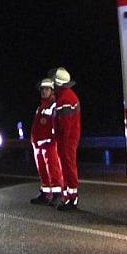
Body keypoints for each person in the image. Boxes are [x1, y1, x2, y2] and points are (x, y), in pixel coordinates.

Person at [50, 67, 81, 210]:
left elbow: (65, 125)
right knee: (67, 167)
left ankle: (72, 199)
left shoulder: (65, 99)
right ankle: (68, 197)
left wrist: (61, 140)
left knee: (68, 168)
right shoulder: (65, 96)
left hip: (67, 140)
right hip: (66, 139)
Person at [29, 78, 64, 205]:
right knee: (42, 170)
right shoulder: (41, 106)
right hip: (39, 144)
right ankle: (45, 193)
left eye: (47, 89)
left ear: (52, 91)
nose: (44, 91)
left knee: (53, 169)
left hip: (49, 143)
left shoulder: (54, 105)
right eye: (42, 89)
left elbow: (56, 124)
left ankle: (57, 194)